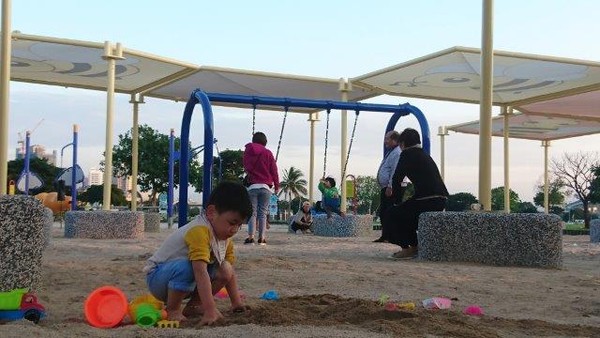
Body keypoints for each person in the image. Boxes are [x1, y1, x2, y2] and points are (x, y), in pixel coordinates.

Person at [143, 181, 253, 325]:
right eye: (232, 223)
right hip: (158, 278)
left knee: (225, 268)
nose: (234, 230)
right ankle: (173, 309)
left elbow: (229, 274)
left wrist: (236, 302)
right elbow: (200, 271)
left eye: (239, 225)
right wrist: (210, 310)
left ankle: (195, 305)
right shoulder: (199, 231)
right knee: (189, 266)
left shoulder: (224, 238)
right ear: (211, 212)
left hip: (185, 280)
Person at [385, 128, 449, 259]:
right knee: (407, 212)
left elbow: (397, 178)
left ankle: (410, 248)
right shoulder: (423, 154)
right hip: (440, 198)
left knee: (393, 213)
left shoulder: (407, 154)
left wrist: (396, 202)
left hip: (427, 199)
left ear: (402, 144)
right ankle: (415, 246)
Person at [243, 132, 280, 245]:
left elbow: (246, 167)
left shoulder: (248, 151)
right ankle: (262, 238)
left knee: (252, 213)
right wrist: (277, 186)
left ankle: (250, 236)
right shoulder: (268, 153)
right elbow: (274, 170)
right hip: (265, 187)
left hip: (252, 186)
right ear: (265, 141)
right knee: (262, 213)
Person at [373, 130, 404, 243]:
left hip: (392, 187)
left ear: (394, 140)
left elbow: (395, 171)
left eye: (387, 138)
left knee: (389, 211)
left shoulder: (397, 153)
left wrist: (390, 186)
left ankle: (391, 236)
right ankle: (385, 235)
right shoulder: (391, 152)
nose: (385, 141)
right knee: (383, 212)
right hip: (386, 187)